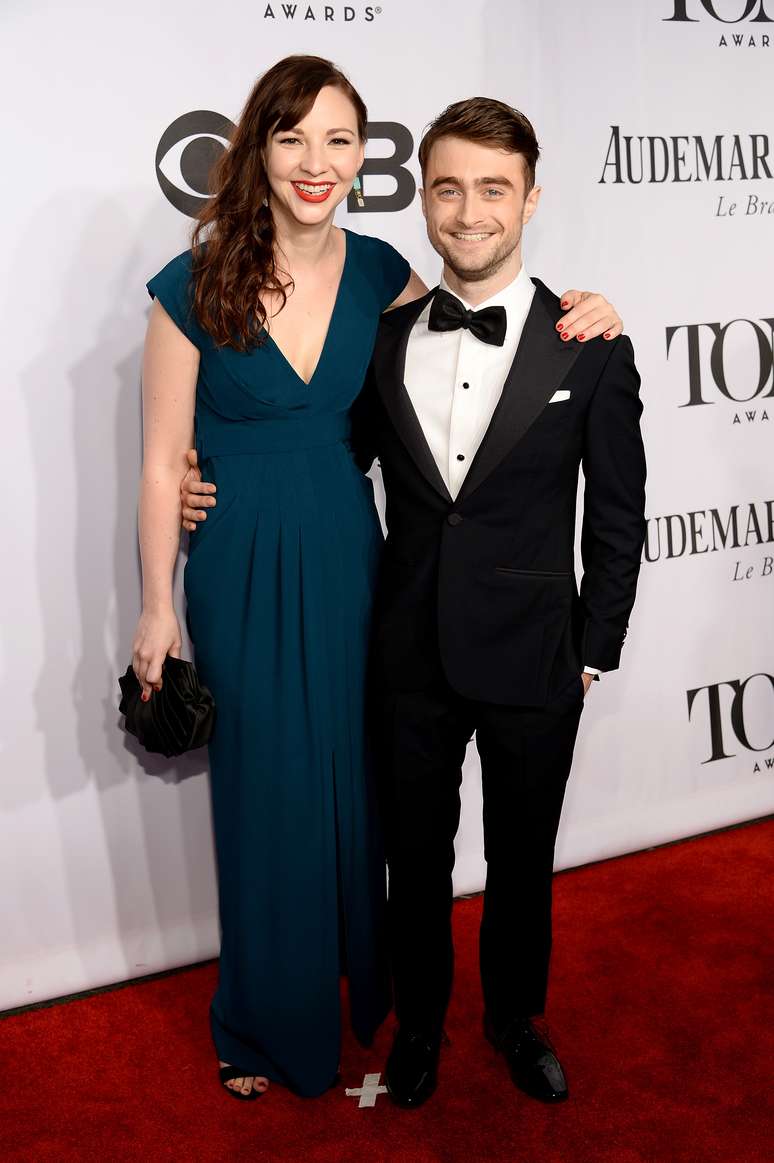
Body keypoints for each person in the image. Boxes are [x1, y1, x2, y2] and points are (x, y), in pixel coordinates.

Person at [152, 57, 624, 1101]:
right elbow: (258, 439)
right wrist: (194, 491)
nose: (468, 209)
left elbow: (607, 498)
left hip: (475, 621)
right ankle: (374, 1024)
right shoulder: (305, 300)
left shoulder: (506, 320)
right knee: (375, 838)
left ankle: (496, 1016)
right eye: (447, 186)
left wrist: (596, 647)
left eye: (493, 187)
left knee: (492, 851)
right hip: (345, 608)